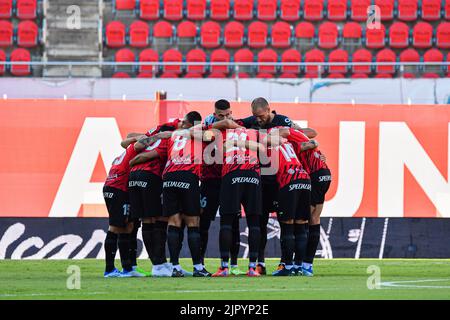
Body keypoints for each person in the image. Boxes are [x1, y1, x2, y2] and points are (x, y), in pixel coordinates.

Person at [237, 97, 317, 275]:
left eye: (260, 116)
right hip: (265, 182)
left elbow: (310, 134)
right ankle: (263, 263)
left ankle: (286, 264)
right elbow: (234, 125)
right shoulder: (252, 123)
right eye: (255, 116)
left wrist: (288, 134)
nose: (258, 120)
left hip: (283, 181)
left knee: (287, 224)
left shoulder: (283, 123)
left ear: (269, 110)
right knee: (261, 222)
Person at [205, 120, 265, 277]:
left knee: (226, 222)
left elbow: (217, 151)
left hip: (231, 174)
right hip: (252, 174)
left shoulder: (223, 132)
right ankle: (252, 267)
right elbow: (262, 149)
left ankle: (224, 267)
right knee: (254, 221)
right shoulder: (255, 133)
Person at [156, 111, 212, 277]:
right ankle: (198, 267)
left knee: (174, 222)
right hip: (188, 174)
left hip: (169, 177)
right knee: (193, 222)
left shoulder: (173, 136)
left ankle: (175, 267)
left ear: (186, 123)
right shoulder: (198, 133)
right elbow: (209, 136)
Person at [275, 127, 331, 276]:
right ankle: (305, 265)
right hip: (323, 172)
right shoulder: (295, 136)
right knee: (313, 219)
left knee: (303, 221)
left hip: (313, 174)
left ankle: (302, 265)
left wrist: (312, 143)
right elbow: (312, 135)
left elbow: (312, 139)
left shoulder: (284, 136)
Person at [263, 128, 318, 276]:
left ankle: (287, 267)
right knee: (300, 226)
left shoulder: (267, 145)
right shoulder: (289, 144)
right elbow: (310, 143)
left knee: (287, 227)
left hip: (289, 180)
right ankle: (299, 267)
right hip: (305, 180)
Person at [201, 99, 245, 276]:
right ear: (214, 114)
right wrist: (225, 123)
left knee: (233, 223)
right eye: (221, 115)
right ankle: (199, 265)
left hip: (230, 179)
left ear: (231, 112)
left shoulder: (238, 125)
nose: (226, 118)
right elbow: (203, 135)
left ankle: (233, 265)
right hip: (210, 180)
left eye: (228, 114)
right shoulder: (206, 126)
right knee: (203, 223)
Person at [103, 140, 147, 277]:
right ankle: (109, 269)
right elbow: (138, 144)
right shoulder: (132, 151)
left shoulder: (120, 156)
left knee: (128, 226)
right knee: (115, 227)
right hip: (118, 189)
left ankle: (127, 268)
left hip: (113, 187)